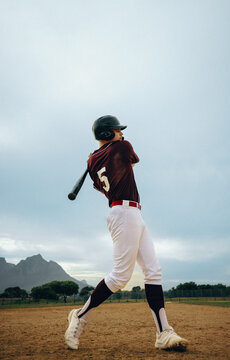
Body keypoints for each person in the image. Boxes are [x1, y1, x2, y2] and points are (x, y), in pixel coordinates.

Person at [65, 115, 188, 351]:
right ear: (108, 134)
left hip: (128, 212)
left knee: (153, 271)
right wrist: (114, 145)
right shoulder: (122, 146)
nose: (122, 134)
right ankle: (79, 316)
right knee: (121, 276)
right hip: (124, 213)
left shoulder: (92, 162)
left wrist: (97, 156)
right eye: (117, 130)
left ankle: (163, 333)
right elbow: (129, 163)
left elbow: (107, 180)